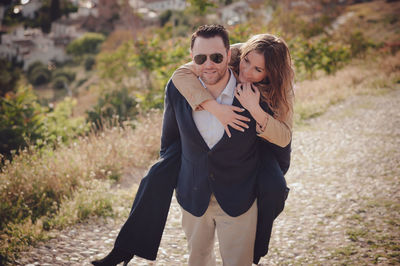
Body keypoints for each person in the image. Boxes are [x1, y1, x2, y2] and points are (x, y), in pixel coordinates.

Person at [92, 25, 292, 266]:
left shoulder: (268, 95)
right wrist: (215, 108)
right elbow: (177, 90)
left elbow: (283, 137)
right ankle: (124, 249)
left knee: (274, 188)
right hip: (195, 194)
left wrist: (255, 110)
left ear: (227, 56)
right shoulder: (190, 81)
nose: (246, 71)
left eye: (257, 69)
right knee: (156, 179)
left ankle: (260, 247)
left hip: (240, 195)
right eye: (201, 58)